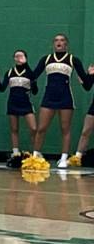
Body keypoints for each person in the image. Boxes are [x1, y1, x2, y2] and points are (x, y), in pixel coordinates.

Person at [33, 36, 85, 165]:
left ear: (66, 44)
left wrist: (90, 75)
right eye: (56, 40)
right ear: (53, 44)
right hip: (49, 97)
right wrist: (24, 64)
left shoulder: (73, 60)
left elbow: (86, 82)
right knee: (41, 128)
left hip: (65, 97)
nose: (59, 42)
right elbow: (32, 76)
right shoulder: (46, 59)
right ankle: (35, 155)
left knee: (65, 129)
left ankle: (63, 158)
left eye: (62, 40)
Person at [0, 51, 37, 161]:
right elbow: (2, 88)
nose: (18, 58)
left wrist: (27, 65)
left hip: (26, 104)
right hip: (13, 103)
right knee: (14, 129)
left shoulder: (29, 72)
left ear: (25, 58)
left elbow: (35, 91)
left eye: (21, 56)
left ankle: (35, 153)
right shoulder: (10, 72)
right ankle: (15, 152)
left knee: (34, 128)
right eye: (16, 56)